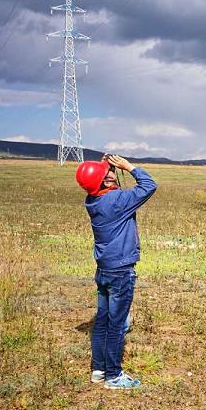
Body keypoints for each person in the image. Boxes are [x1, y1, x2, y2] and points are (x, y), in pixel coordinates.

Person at [75, 154, 157, 389]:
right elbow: (150, 185)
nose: (111, 173)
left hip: (104, 269)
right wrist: (129, 167)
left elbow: (101, 185)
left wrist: (107, 168)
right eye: (107, 173)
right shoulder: (117, 201)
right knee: (117, 325)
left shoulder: (92, 200)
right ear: (106, 182)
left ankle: (98, 370)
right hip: (121, 271)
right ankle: (114, 376)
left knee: (102, 321)